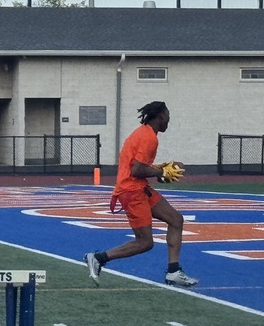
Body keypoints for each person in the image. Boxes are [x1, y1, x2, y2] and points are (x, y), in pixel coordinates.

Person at [84, 101, 198, 287]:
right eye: (168, 117)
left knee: (176, 220)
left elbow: (137, 166)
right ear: (161, 116)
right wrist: (161, 172)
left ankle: (173, 271)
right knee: (145, 242)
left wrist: (157, 169)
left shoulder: (144, 133)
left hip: (138, 188)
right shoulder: (149, 138)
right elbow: (137, 170)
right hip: (132, 191)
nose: (169, 121)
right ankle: (99, 258)